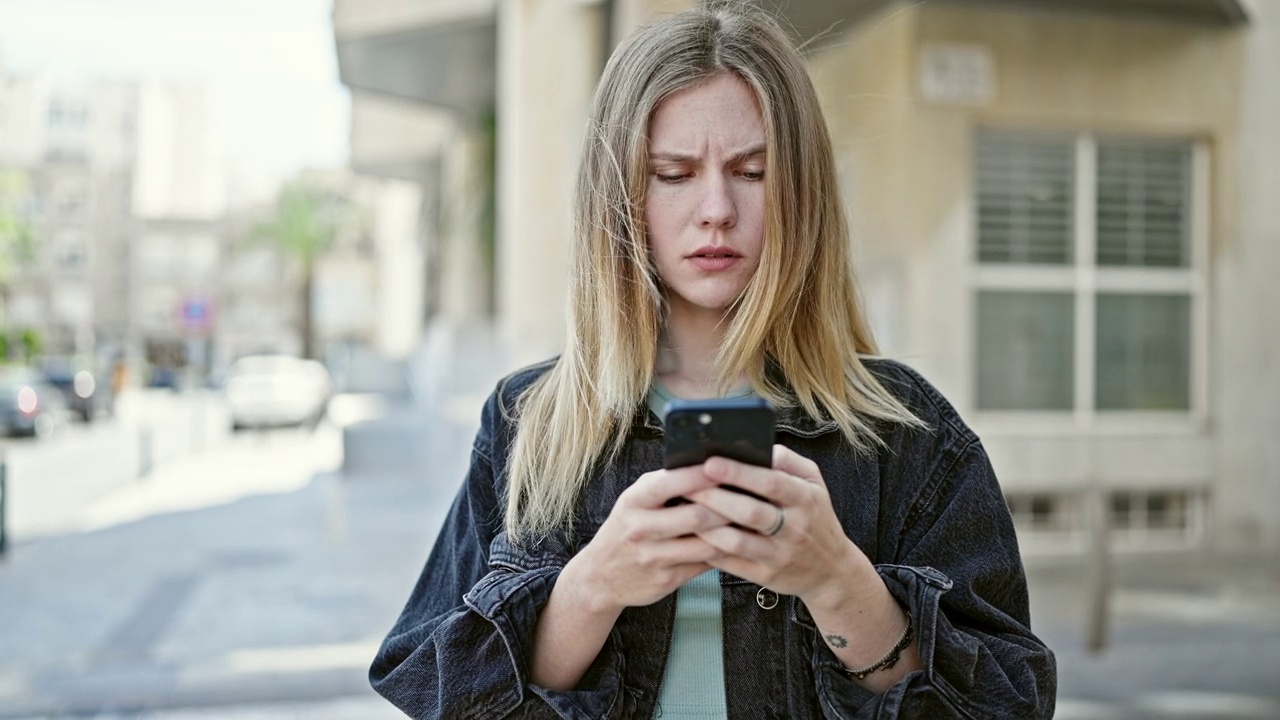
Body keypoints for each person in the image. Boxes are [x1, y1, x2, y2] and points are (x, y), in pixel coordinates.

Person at [370, 4, 1056, 718]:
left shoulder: (904, 433)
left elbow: (1010, 703)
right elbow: (430, 689)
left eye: (752, 171)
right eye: (673, 173)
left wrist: (837, 582)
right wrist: (593, 588)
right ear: (620, 196)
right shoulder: (529, 423)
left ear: (801, 190)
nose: (716, 209)